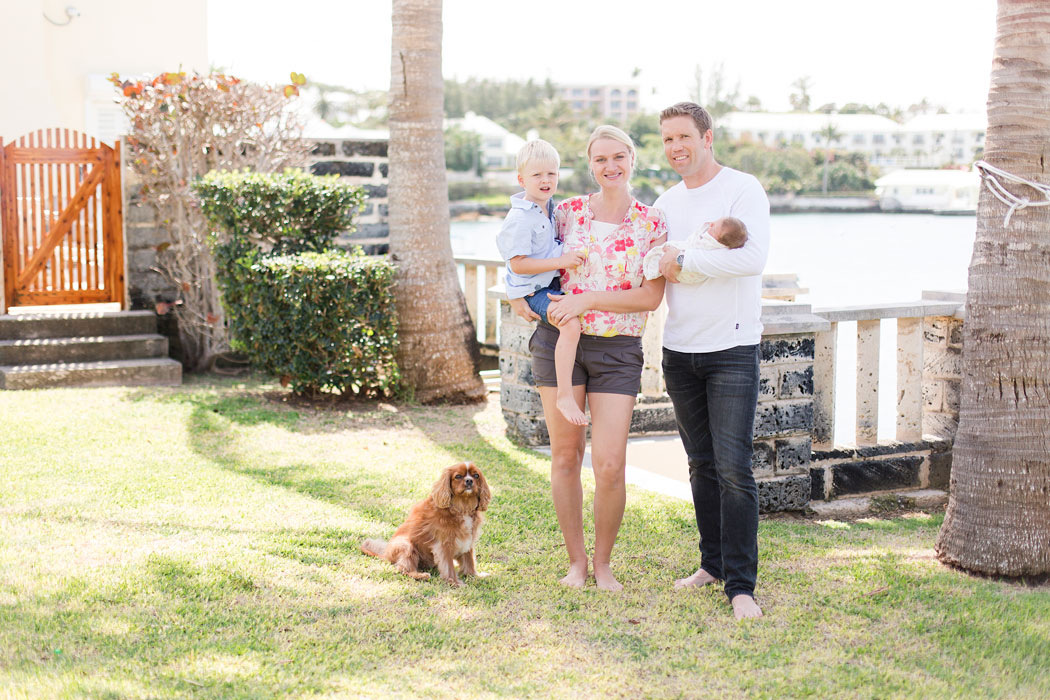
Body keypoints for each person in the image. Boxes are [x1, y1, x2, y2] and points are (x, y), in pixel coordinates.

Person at [509, 125, 667, 591]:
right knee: (564, 456)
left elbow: (650, 297)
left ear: (632, 159)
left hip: (618, 349)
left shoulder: (651, 221)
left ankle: (603, 564)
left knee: (611, 464)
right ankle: (576, 563)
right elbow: (524, 253)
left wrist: (588, 300)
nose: (610, 167)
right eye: (600, 159)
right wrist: (520, 298)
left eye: (618, 157)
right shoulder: (566, 212)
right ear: (590, 164)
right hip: (559, 342)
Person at [654, 102, 770, 620]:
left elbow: (750, 258)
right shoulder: (665, 200)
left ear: (707, 137)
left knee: (733, 470)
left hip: (732, 350)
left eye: (684, 137)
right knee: (700, 466)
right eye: (667, 140)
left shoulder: (743, 189)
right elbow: (654, 264)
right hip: (679, 350)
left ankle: (741, 586)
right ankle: (712, 564)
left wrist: (685, 259)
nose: (676, 147)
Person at [497, 140, 588, 426]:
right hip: (536, 289)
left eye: (552, 173)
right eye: (537, 175)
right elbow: (518, 263)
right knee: (570, 324)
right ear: (522, 179)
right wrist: (562, 262)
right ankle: (564, 394)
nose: (546, 180)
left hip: (548, 283)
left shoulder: (550, 209)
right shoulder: (521, 218)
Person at [642, 216, 748, 283]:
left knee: (664, 253)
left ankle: (649, 265)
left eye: (714, 228)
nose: (710, 224)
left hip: (690, 272)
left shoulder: (710, 244)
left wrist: (676, 254)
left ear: (720, 240)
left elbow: (692, 247)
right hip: (689, 277)